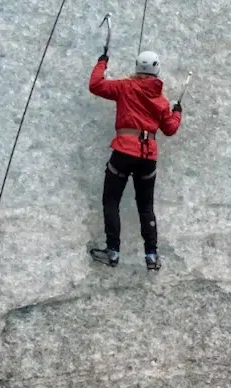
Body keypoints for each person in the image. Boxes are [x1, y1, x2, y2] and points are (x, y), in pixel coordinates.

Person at [88, 49, 182, 271]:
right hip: (147, 156)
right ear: (157, 70)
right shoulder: (160, 100)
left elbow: (96, 85)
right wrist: (177, 111)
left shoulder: (124, 87)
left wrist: (102, 61)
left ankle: (113, 251)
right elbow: (169, 129)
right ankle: (151, 255)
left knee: (111, 201)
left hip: (123, 152)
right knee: (146, 206)